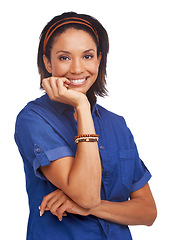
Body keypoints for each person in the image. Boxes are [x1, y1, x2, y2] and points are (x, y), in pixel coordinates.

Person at [14, 11, 157, 240]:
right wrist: (81, 104)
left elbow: (148, 212)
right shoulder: (34, 119)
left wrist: (90, 208)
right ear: (47, 62)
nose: (78, 69)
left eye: (87, 56)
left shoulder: (117, 124)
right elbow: (86, 195)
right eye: (64, 57)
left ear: (99, 60)